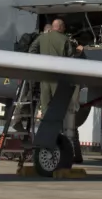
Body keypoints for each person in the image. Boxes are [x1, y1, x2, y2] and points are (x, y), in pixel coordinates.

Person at [28, 19, 85, 162]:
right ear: (60, 27)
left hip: (44, 79)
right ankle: (58, 140)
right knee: (60, 109)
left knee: (46, 110)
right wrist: (79, 51)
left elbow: (31, 50)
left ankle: (43, 142)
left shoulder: (42, 37)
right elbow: (71, 59)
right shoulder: (65, 40)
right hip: (58, 79)